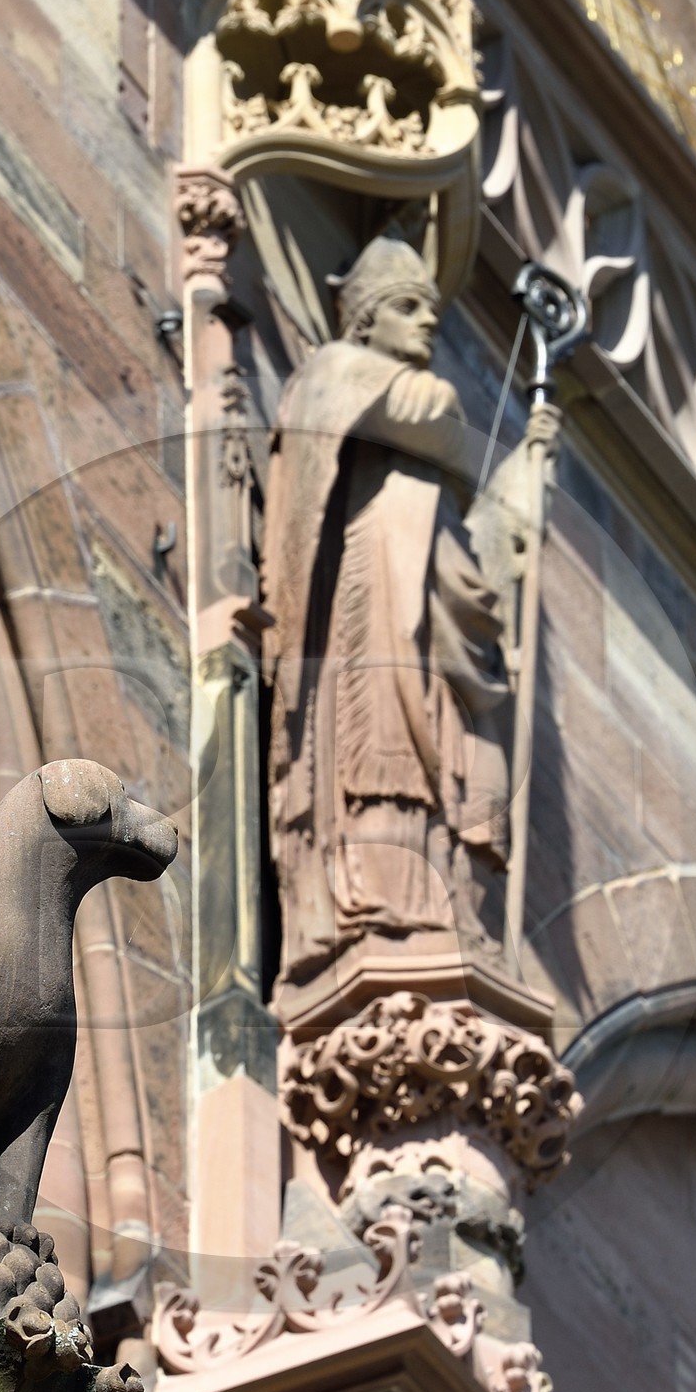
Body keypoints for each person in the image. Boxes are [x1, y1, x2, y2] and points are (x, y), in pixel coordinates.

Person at [262, 234, 513, 988]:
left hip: (417, 609)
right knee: (377, 737)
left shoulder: (385, 406)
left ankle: (432, 902)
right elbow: (431, 411)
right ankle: (369, 899)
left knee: (429, 738)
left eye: (430, 310)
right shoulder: (336, 373)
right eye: (406, 308)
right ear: (363, 320)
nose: (426, 325)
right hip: (368, 594)